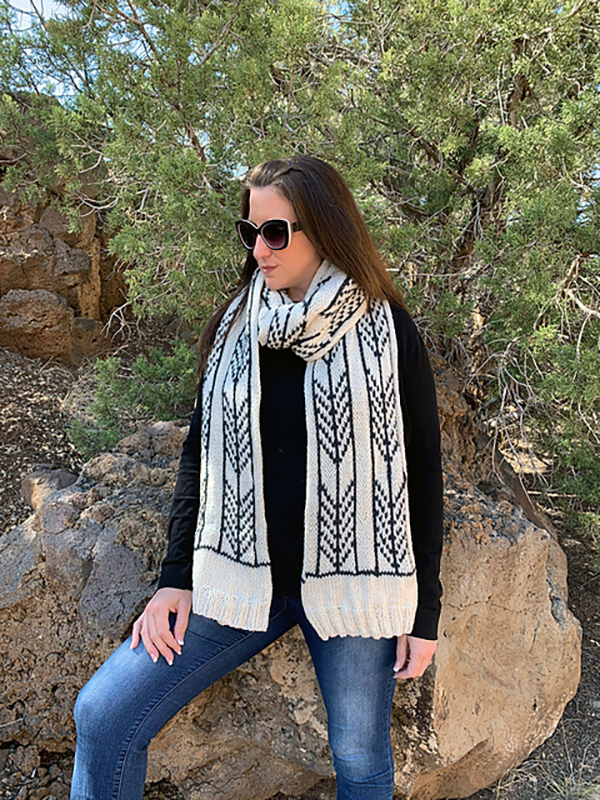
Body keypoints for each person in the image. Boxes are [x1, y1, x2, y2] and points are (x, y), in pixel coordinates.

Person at [70, 155, 443, 800]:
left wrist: (425, 612)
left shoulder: (389, 330)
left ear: (324, 231)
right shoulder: (238, 327)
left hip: (356, 588)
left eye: (277, 232)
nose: (261, 249)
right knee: (103, 714)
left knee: (360, 758)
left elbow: (423, 474)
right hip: (238, 579)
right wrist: (175, 580)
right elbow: (200, 459)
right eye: (251, 233)